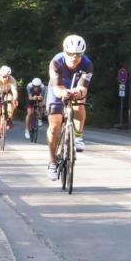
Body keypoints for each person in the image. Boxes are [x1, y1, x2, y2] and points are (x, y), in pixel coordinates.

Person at [47, 34, 94, 181]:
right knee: (55, 125)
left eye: (78, 55)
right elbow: (56, 89)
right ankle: (52, 162)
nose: (74, 57)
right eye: (70, 54)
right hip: (58, 87)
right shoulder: (56, 62)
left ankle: (78, 136)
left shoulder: (87, 64)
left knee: (79, 105)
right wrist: (64, 93)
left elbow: (84, 88)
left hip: (75, 86)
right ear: (64, 51)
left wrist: (78, 92)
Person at [0, 65, 18, 146]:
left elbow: (14, 91)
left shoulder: (12, 79)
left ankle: (9, 118)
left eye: (7, 77)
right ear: (0, 74)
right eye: (3, 77)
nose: (5, 78)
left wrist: (15, 99)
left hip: (6, 93)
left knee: (11, 100)